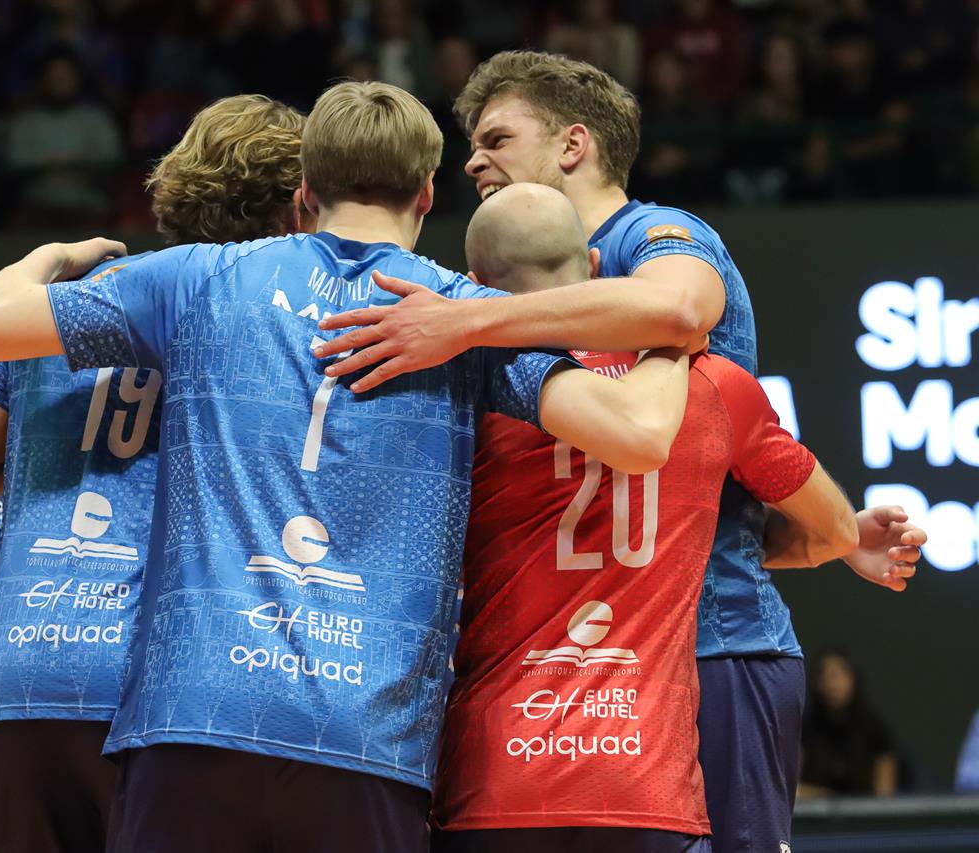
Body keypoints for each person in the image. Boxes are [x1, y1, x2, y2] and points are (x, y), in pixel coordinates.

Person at [0, 80, 693, 852]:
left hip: (193, 714)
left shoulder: (198, 277)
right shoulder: (454, 316)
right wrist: (675, 341)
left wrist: (48, 257)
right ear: (426, 192)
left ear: (306, 191)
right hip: (365, 737)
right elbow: (638, 434)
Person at [312, 50, 923, 853]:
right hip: (589, 652)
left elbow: (681, 310)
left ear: (573, 145)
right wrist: (816, 539)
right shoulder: (522, 302)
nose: (473, 162)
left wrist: (465, 318)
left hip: (707, 645)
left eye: (497, 138)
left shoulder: (653, 235)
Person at [0, 94, 311, 853]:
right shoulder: (271, 315)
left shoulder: (40, 316)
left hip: (26, 687)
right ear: (299, 205)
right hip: (167, 697)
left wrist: (16, 637)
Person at [432, 183, 856, 853]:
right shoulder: (715, 384)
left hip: (498, 780)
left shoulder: (467, 393)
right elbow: (837, 531)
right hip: (644, 784)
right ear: (596, 267)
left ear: (479, 285)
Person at [799, 649, 899, 797]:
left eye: (839, 675)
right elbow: (792, 788)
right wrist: (822, 795)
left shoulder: (875, 729)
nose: (833, 683)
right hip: (816, 808)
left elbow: (885, 794)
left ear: (854, 680)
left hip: (865, 808)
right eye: (826, 676)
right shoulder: (804, 729)